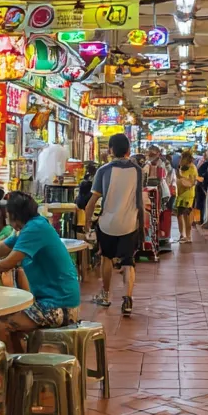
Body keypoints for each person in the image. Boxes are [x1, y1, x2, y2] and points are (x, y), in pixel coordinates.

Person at [0, 191, 81, 350]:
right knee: (5, 318)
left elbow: (8, 262)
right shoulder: (29, 228)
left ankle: (3, 373)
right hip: (50, 301)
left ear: (13, 215)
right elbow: (0, 249)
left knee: (2, 325)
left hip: (59, 306)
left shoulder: (35, 228)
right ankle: (20, 368)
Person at [84, 133, 145, 315]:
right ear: (128, 150)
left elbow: (93, 200)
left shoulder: (103, 170)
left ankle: (106, 295)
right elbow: (138, 199)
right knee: (128, 261)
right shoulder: (138, 170)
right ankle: (127, 299)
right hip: (130, 223)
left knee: (106, 258)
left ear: (111, 150)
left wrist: (87, 221)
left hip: (108, 224)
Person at [174, 149, 198, 243]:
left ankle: (188, 236)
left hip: (188, 195)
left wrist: (181, 178)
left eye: (182, 158)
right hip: (180, 194)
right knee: (179, 214)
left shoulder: (192, 168)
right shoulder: (181, 167)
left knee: (187, 215)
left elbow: (191, 182)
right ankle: (182, 235)